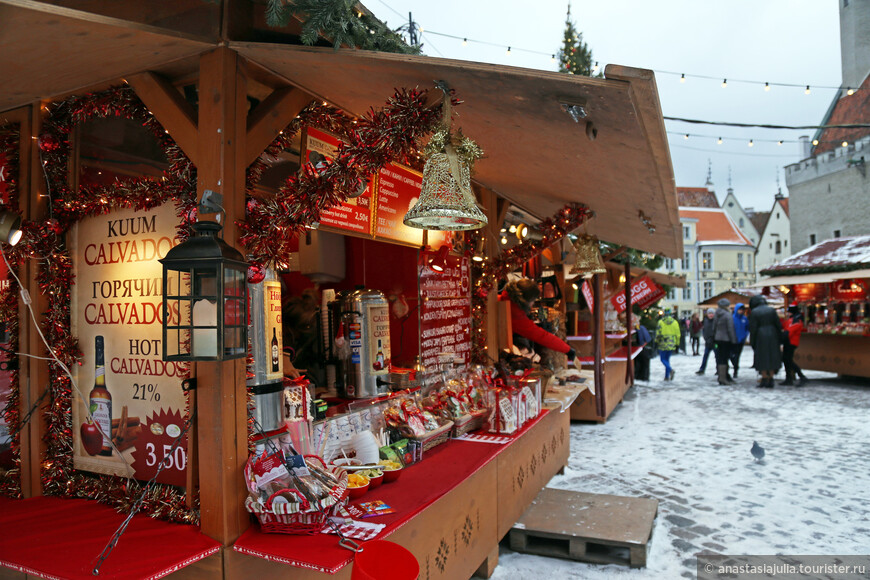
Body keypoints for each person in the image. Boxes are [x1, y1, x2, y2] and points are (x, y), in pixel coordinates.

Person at [499, 279, 581, 368]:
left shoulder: (501, 298)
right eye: (533, 300)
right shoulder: (516, 315)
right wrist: (567, 350)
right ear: (525, 300)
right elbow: (542, 336)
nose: (533, 303)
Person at [748, 295, 782, 388]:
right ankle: (771, 378)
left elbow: (753, 328)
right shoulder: (772, 310)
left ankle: (764, 378)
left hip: (760, 336)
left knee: (762, 358)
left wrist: (752, 341)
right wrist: (780, 338)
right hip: (773, 335)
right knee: (772, 357)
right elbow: (778, 325)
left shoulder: (754, 312)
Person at [781, 303, 808, 386]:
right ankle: (789, 378)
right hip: (790, 342)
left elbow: (789, 332)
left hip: (790, 342)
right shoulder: (794, 319)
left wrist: (782, 338)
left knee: (788, 360)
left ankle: (801, 376)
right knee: (787, 360)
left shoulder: (795, 320)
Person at [713, 298, 736, 385]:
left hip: (718, 339)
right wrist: (733, 340)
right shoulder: (727, 315)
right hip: (726, 339)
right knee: (725, 358)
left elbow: (714, 327)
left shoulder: (717, 314)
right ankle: (723, 378)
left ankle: (721, 376)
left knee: (720, 358)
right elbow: (730, 329)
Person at [656, 311, 681, 381]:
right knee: (667, 359)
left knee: (662, 359)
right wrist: (677, 344)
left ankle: (670, 370)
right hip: (671, 342)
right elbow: (678, 334)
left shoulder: (660, 322)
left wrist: (656, 341)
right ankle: (666, 376)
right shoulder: (675, 322)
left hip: (662, 342)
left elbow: (658, 333)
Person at [695, 308, 716, 375]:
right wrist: (706, 339)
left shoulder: (716, 321)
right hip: (708, 342)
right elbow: (704, 331)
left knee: (717, 356)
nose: (711, 315)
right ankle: (702, 369)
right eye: (709, 313)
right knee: (705, 356)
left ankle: (719, 370)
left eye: (712, 313)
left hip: (715, 342)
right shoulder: (705, 321)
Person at [730, 303, 749, 378]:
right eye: (739, 310)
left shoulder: (744, 319)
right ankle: (735, 365)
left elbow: (747, 328)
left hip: (741, 340)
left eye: (742, 310)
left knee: (737, 355)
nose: (741, 311)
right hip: (733, 340)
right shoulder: (732, 318)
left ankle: (735, 369)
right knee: (731, 355)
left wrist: (745, 335)